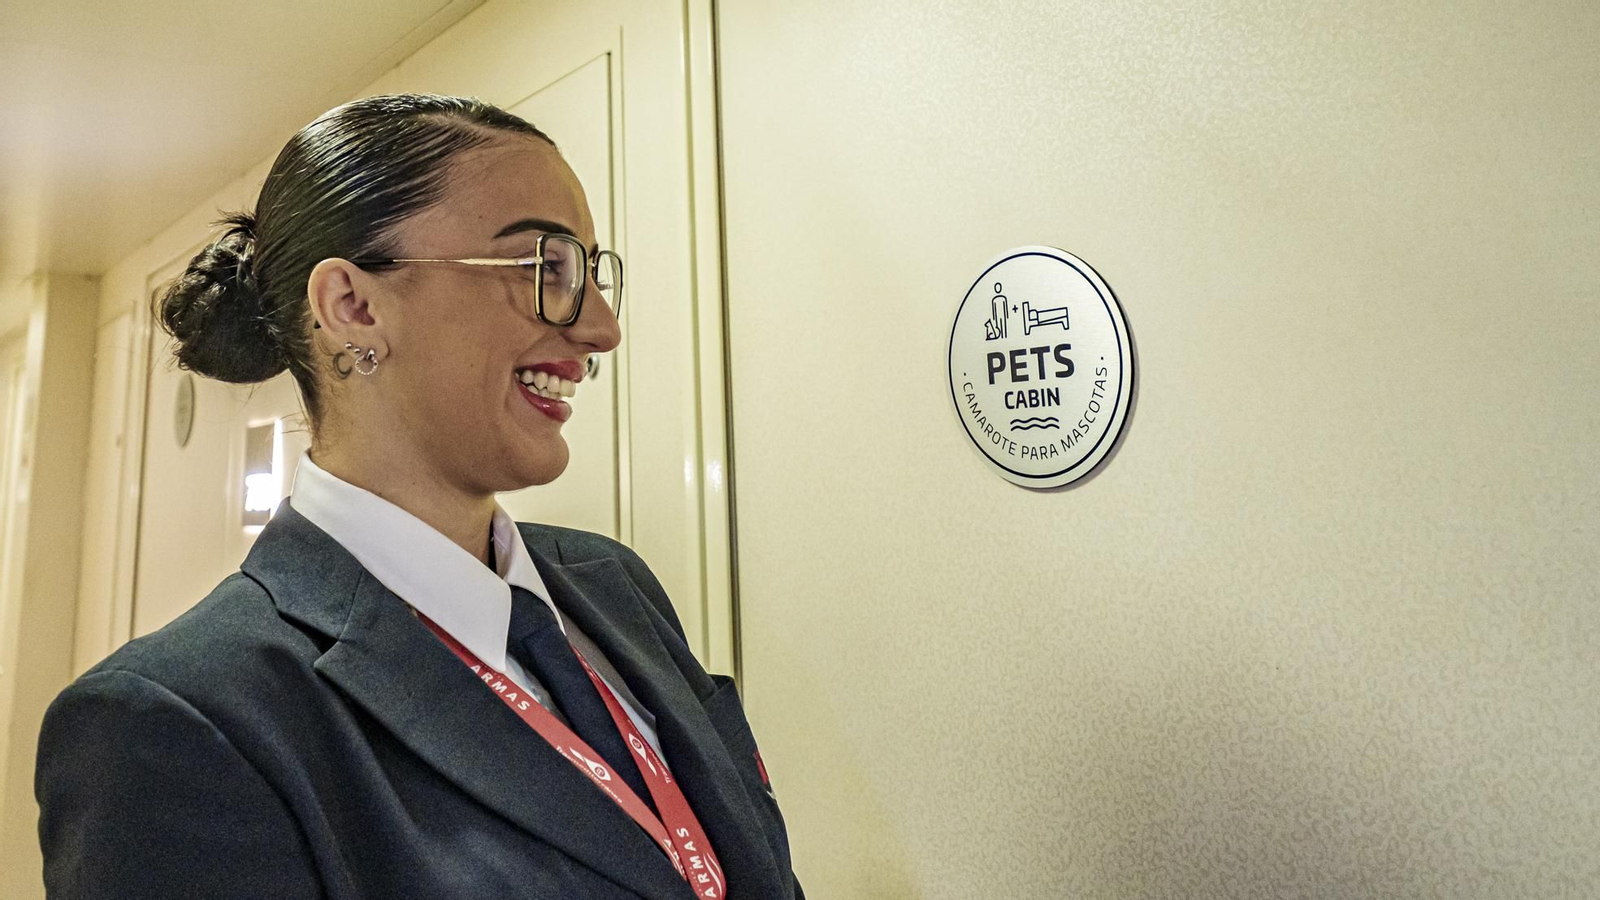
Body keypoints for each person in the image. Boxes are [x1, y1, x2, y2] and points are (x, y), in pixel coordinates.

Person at [35, 93, 802, 900]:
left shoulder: (616, 585)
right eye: (545, 267)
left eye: (590, 273)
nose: (600, 327)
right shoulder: (179, 726)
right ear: (354, 307)